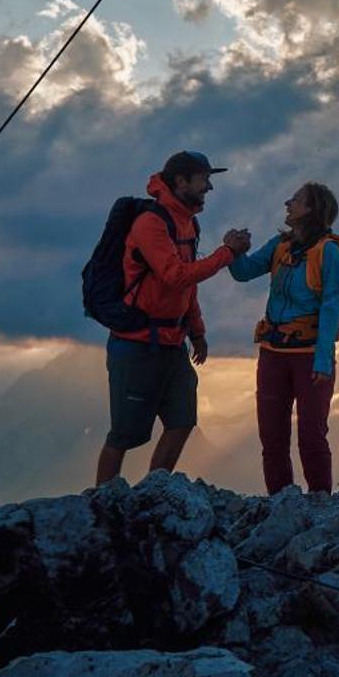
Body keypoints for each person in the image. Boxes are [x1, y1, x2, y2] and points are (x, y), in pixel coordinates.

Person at [95, 151, 252, 486]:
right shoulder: (151, 223)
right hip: (136, 344)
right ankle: (101, 504)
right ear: (181, 181)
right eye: (203, 180)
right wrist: (227, 253)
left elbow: (187, 284)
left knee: (181, 421)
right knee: (123, 434)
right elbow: (175, 276)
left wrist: (197, 332)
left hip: (172, 343)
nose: (209, 187)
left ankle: (155, 492)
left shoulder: (187, 222)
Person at [229, 181, 339, 494]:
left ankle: (320, 503)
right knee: (272, 437)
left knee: (311, 435)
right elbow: (243, 272)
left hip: (309, 355)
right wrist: (234, 252)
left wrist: (323, 360)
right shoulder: (279, 246)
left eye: (295, 200)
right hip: (273, 352)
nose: (287, 203)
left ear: (311, 210)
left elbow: (332, 306)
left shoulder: (329, 252)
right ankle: (282, 504)